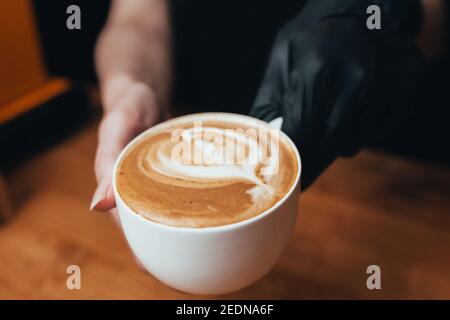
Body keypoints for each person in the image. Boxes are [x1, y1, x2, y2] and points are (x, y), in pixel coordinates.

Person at [91, 0, 447, 212]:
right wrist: (130, 86)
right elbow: (136, 18)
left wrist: (373, 17)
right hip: (191, 133)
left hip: (377, 160)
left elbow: (434, 15)